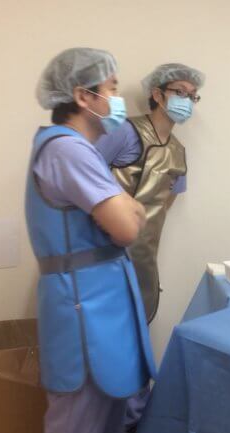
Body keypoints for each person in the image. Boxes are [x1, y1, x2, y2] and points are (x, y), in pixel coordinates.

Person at [26, 47, 156, 433]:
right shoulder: (67, 149)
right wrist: (131, 207)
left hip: (99, 300)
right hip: (83, 305)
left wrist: (128, 208)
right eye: (112, 88)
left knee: (111, 413)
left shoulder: (80, 150)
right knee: (79, 420)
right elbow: (127, 227)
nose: (117, 99)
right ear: (83, 96)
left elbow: (126, 215)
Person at [95, 63, 205, 323]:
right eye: (180, 92)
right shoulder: (124, 131)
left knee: (137, 320)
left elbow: (164, 205)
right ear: (157, 94)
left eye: (192, 96)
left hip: (144, 256)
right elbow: (85, 176)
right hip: (103, 249)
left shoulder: (178, 152)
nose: (187, 101)